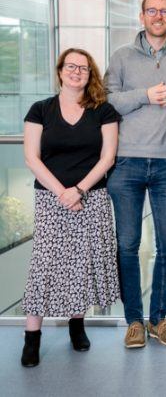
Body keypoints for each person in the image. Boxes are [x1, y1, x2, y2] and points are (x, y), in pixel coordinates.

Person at [105, 0, 166, 349]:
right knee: (128, 244)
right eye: (152, 10)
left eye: (165, 11)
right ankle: (134, 321)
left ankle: (159, 318)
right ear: (142, 16)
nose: (158, 16)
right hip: (126, 162)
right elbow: (107, 100)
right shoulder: (122, 56)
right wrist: (148, 94)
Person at [21, 48, 120, 367]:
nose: (77, 72)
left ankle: (77, 326)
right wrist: (63, 193)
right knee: (44, 266)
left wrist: (78, 190)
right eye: (71, 66)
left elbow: (108, 158)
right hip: (51, 200)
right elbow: (31, 158)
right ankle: (31, 338)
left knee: (82, 265)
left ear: (90, 75)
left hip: (92, 197)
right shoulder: (40, 110)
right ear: (60, 70)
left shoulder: (103, 110)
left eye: (84, 68)